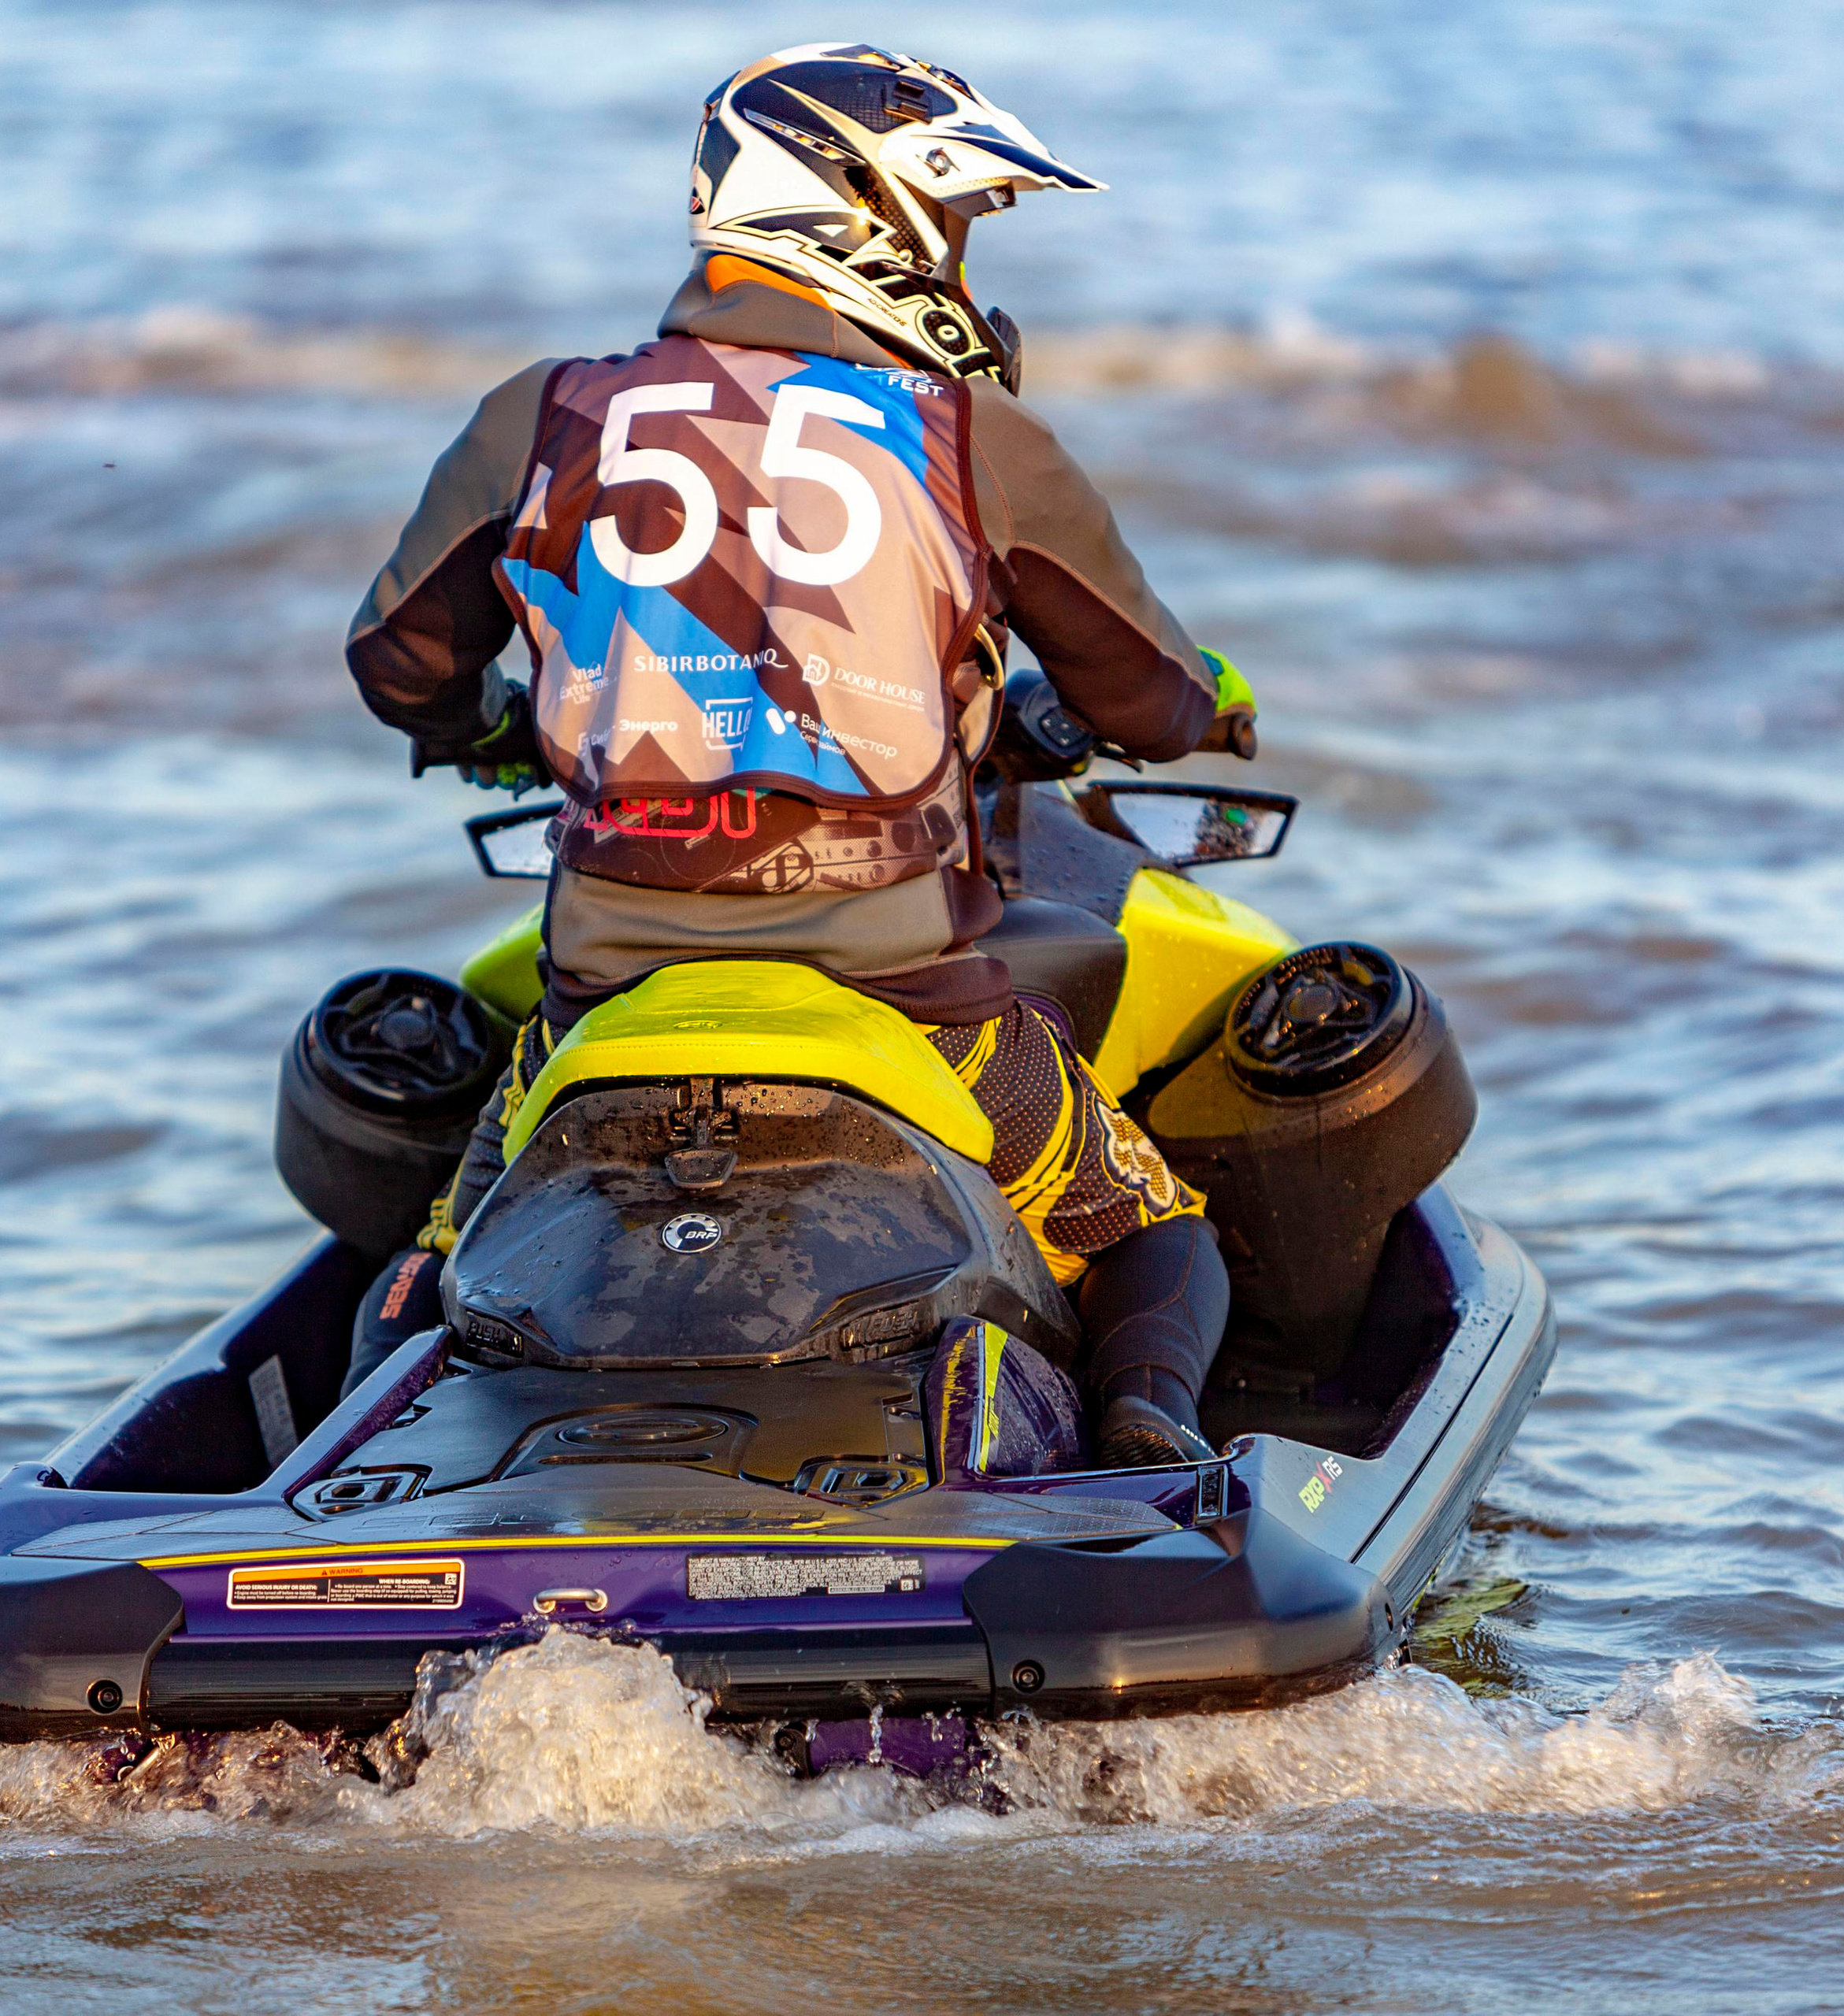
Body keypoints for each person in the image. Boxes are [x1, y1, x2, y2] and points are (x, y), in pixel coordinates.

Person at [343, 43, 1258, 1466]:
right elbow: (1152, 705)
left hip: (605, 994)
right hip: (913, 998)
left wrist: (490, 731)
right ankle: (1151, 1442)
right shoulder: (968, 434)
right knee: (1151, 1228)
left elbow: (400, 662)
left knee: (440, 1251)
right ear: (870, 214)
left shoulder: (543, 413)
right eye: (951, 224)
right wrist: (1203, 698)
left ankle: (366, 1456)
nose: (958, 266)